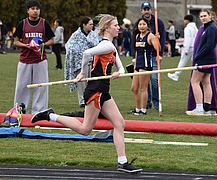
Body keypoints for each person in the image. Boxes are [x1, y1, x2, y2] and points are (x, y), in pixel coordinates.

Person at [31, 14, 143, 173]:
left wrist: (119, 71)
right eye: (115, 25)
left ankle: (122, 162)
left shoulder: (110, 45)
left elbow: (120, 67)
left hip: (104, 91)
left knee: (120, 124)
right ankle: (50, 116)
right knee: (85, 130)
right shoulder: (106, 46)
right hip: (95, 90)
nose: (119, 27)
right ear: (106, 28)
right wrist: (82, 74)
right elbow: (86, 54)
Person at [13, 0, 55, 114]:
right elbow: (15, 42)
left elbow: (52, 40)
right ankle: (20, 111)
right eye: (32, 8)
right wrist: (26, 46)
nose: (35, 11)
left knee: (41, 87)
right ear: (28, 11)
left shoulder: (44, 23)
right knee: (21, 87)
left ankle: (39, 112)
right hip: (25, 60)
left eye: (37, 9)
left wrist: (43, 45)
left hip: (40, 60)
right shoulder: (22, 23)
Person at [187, 10, 217, 115]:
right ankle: (207, 107)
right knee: (206, 81)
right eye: (201, 16)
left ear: (210, 16)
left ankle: (199, 107)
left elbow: (209, 46)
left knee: (195, 81)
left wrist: (197, 57)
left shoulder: (211, 28)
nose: (203, 18)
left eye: (205, 16)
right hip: (208, 59)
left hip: (205, 59)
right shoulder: (207, 28)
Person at [133, 1, 166, 110]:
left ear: (151, 10)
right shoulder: (137, 29)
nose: (146, 11)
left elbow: (162, 40)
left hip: (151, 58)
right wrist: (134, 58)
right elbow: (135, 45)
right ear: (142, 11)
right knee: (138, 86)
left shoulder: (158, 22)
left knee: (154, 80)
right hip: (139, 61)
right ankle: (145, 104)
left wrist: (160, 54)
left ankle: (156, 103)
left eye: (148, 9)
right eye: (144, 9)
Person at [64, 17, 98, 108]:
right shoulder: (76, 35)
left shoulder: (93, 35)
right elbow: (69, 46)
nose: (92, 26)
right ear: (84, 25)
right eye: (90, 24)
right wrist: (79, 53)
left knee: (91, 81)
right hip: (79, 63)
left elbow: (97, 45)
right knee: (81, 82)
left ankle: (90, 98)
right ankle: (82, 100)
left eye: (92, 24)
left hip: (91, 61)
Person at [129, 17, 159, 115]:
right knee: (134, 88)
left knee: (143, 88)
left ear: (147, 25)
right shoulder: (137, 35)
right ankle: (137, 109)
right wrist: (134, 65)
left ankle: (143, 109)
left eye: (144, 24)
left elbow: (157, 49)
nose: (141, 26)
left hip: (146, 65)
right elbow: (137, 51)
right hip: (137, 65)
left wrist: (157, 38)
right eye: (140, 24)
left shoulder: (150, 36)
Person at [167, 15, 198, 81]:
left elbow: (187, 39)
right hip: (195, 47)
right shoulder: (195, 28)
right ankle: (195, 75)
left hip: (189, 47)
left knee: (182, 61)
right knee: (194, 62)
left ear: (187, 20)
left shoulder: (187, 28)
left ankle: (176, 75)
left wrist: (186, 49)